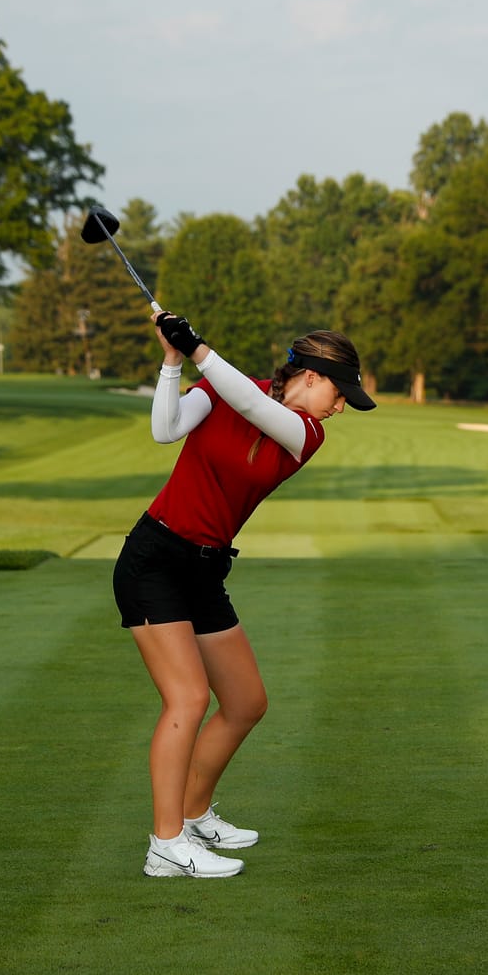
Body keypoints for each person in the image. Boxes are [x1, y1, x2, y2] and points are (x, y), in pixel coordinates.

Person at [117, 311, 373, 878]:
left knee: (246, 702)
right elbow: (166, 429)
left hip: (205, 570)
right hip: (154, 560)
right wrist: (174, 359)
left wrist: (200, 348)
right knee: (187, 699)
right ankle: (166, 845)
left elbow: (257, 409)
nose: (339, 407)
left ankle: (194, 813)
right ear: (309, 374)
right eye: (339, 392)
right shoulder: (225, 389)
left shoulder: (306, 432)